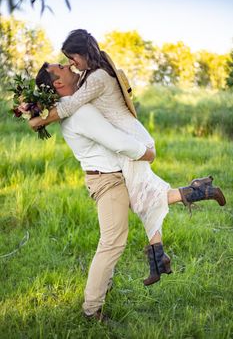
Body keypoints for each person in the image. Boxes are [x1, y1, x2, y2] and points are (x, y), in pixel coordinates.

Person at [30, 30, 226, 288]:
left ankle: (198, 193)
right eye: (66, 60)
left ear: (83, 53)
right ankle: (159, 257)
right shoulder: (92, 74)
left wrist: (35, 118)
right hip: (130, 141)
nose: (69, 63)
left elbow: (68, 106)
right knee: (142, 197)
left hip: (133, 142)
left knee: (144, 198)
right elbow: (70, 103)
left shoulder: (97, 77)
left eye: (71, 57)